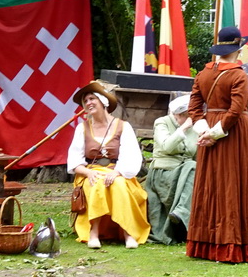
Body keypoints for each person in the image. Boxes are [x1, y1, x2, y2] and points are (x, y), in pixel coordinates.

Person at [186, 26, 248, 263]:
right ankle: (233, 245)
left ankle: (205, 245)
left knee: (210, 184)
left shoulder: (203, 74)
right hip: (233, 134)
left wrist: (204, 132)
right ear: (238, 49)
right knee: (234, 183)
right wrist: (216, 133)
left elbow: (194, 108)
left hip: (209, 129)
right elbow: (236, 110)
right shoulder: (239, 75)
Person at [67, 81, 150, 249]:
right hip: (90, 172)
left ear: (103, 101)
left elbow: (131, 156)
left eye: (92, 99)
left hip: (118, 172)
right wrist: (88, 173)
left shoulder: (123, 127)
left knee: (118, 184)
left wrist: (117, 172)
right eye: (85, 101)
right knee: (97, 183)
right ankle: (93, 232)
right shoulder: (82, 128)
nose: (88, 103)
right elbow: (74, 161)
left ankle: (128, 233)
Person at [144, 94, 198, 245]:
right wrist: (184, 127)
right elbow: (167, 146)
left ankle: (182, 215)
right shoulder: (161, 122)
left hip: (186, 172)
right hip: (164, 172)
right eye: (187, 115)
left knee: (194, 167)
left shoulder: (196, 126)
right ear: (178, 114)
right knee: (192, 167)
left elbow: (197, 154)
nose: (191, 118)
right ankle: (181, 212)